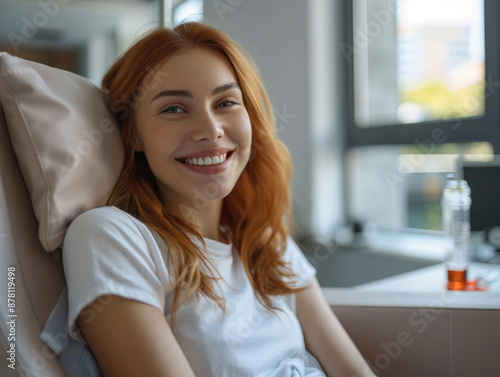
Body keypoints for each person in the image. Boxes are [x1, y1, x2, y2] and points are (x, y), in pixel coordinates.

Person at [62, 21, 376, 377]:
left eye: (226, 102)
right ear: (133, 135)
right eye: (174, 109)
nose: (210, 130)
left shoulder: (266, 241)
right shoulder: (112, 236)